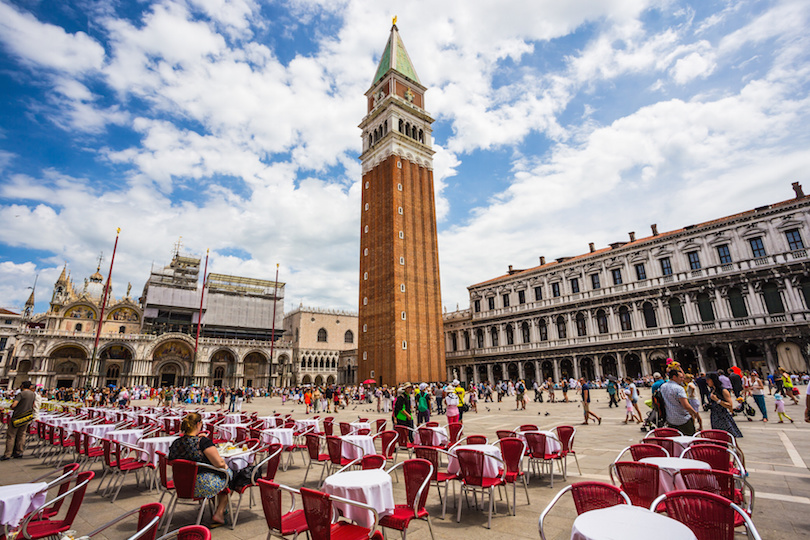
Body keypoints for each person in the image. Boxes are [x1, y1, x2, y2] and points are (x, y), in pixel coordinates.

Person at [168, 412, 232, 526]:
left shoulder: (176, 443)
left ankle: (217, 508)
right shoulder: (201, 442)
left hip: (181, 486)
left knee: (218, 476)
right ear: (199, 424)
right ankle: (219, 512)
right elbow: (220, 463)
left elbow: (171, 461)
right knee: (229, 475)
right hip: (199, 486)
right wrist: (225, 466)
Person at [659, 369, 702, 436]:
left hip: (670, 419)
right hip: (683, 419)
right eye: (681, 377)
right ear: (674, 377)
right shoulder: (679, 388)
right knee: (689, 439)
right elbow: (686, 405)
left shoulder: (663, 387)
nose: (682, 379)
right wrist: (695, 414)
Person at [2, 381, 36, 460]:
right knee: (22, 434)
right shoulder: (33, 394)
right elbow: (33, 405)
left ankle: (8, 454)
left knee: (11, 435)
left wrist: (11, 407)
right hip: (26, 417)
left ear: (22, 386)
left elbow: (14, 405)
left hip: (17, 417)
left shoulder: (21, 394)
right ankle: (19, 452)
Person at [706, 372, 743, 438]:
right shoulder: (712, 390)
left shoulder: (723, 390)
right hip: (714, 416)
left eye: (708, 380)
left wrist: (718, 400)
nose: (707, 381)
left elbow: (730, 405)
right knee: (718, 438)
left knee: (729, 438)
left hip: (723, 417)